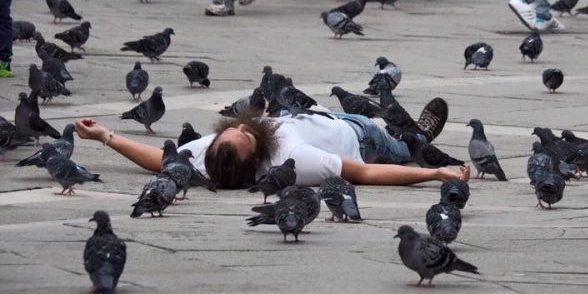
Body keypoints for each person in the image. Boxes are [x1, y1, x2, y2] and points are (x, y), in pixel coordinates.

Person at [71, 99, 467, 188]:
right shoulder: (293, 160)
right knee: (400, 145)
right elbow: (364, 172)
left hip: (313, 115)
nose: (243, 127)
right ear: (256, 156)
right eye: (244, 135)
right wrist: (432, 173)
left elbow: (160, 160)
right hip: (359, 137)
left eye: (231, 129)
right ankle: (419, 140)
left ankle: (413, 135)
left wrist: (105, 136)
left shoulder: (210, 158)